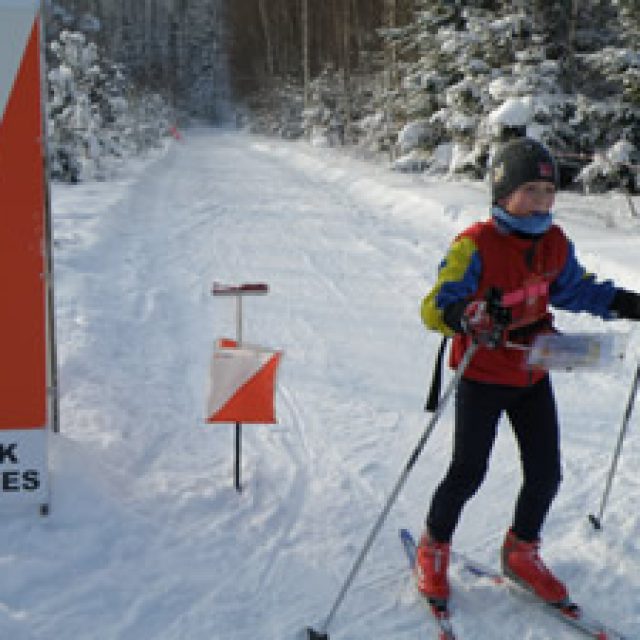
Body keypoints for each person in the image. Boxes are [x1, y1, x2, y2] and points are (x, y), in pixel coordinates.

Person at [418, 137, 640, 606]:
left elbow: (576, 290)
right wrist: (464, 316)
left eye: (548, 190)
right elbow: (435, 305)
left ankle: (521, 550)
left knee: (546, 473)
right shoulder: (474, 244)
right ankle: (433, 546)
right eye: (531, 190)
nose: (542, 200)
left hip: (532, 373)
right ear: (502, 192)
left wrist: (624, 302)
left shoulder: (555, 243)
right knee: (468, 471)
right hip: (483, 375)